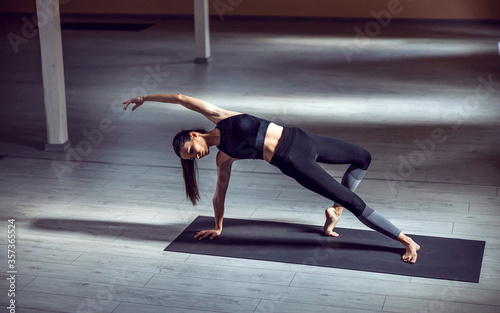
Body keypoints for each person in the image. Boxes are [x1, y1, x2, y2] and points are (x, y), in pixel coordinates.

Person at [123, 94, 420, 264]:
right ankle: (405, 240)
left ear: (193, 135)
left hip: (303, 138)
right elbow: (219, 193)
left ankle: (334, 212)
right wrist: (218, 225)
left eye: (191, 151)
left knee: (362, 156)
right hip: (294, 162)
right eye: (191, 159)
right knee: (354, 201)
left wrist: (145, 97)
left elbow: (180, 98)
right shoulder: (223, 156)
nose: (195, 156)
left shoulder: (220, 116)